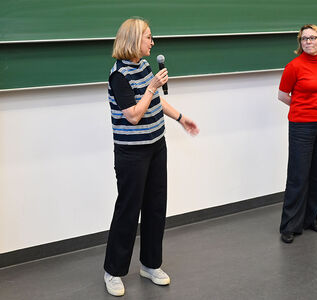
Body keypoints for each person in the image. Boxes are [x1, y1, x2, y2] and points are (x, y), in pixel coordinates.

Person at [103, 18, 199, 296]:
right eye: (148, 37)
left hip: (157, 146)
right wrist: (152, 88)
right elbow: (133, 115)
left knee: (156, 207)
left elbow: (156, 102)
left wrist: (181, 118)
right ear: (134, 40)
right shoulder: (119, 75)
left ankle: (150, 264)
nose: (152, 42)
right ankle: (113, 271)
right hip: (131, 153)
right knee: (128, 211)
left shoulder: (143, 66)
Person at [278, 24, 317, 244]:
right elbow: (283, 95)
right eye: (304, 39)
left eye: (312, 38)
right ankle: (290, 226)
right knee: (298, 176)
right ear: (300, 43)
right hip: (302, 126)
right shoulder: (294, 66)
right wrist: (303, 105)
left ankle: (310, 219)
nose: (308, 42)